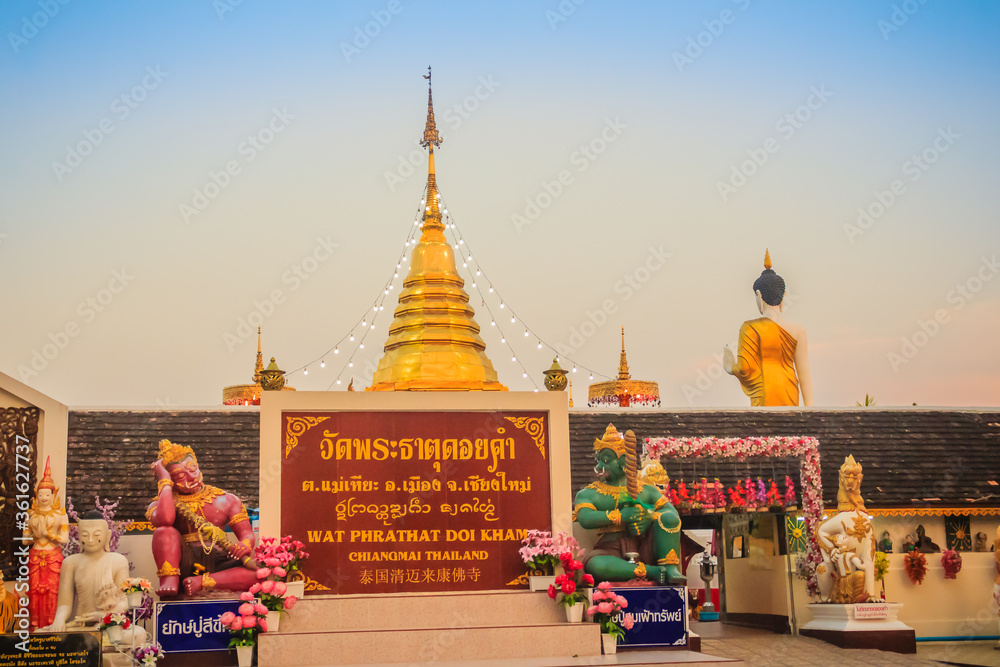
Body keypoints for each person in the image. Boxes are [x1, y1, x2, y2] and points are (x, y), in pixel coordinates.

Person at [573, 424, 686, 584]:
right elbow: (585, 518)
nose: (599, 466)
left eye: (605, 460)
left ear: (624, 463)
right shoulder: (589, 493)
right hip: (610, 551)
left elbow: (673, 515)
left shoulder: (646, 490)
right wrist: (621, 516)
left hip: (644, 546)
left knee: (668, 518)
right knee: (595, 565)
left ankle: (669, 567)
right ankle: (652, 571)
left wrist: (649, 516)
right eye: (598, 460)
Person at [148, 439, 257, 597]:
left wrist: (245, 545)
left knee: (260, 574)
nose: (191, 477)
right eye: (180, 477)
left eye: (193, 469)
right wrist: (164, 483)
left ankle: (202, 582)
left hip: (220, 557)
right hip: (184, 560)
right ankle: (169, 579)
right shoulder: (161, 504)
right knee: (164, 531)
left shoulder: (226, 499)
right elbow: (165, 520)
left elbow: (246, 533)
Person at [724, 250, 813, 406]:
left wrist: (730, 367)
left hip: (764, 394)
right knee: (788, 430)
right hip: (790, 393)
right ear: (783, 295)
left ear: (758, 295)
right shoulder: (798, 330)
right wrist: (811, 412)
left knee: (764, 431)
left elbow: (745, 368)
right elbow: (804, 375)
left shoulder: (750, 327)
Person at [41, 511, 129, 631]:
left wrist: (104, 616)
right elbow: (64, 604)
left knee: (139, 634)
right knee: (41, 634)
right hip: (81, 626)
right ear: (78, 536)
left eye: (97, 534)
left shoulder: (118, 561)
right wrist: (59, 619)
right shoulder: (71, 563)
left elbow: (124, 602)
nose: (90, 539)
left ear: (107, 536)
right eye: (85, 535)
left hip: (108, 626)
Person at [23, 456, 68, 630]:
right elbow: (25, 539)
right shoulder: (30, 515)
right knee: (34, 593)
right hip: (35, 555)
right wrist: (35, 536)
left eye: (47, 494)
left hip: (53, 557)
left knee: (53, 593)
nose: (43, 497)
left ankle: (51, 626)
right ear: (37, 494)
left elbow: (64, 539)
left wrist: (48, 535)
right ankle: (34, 627)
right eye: (40, 494)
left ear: (53, 494)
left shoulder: (61, 515)